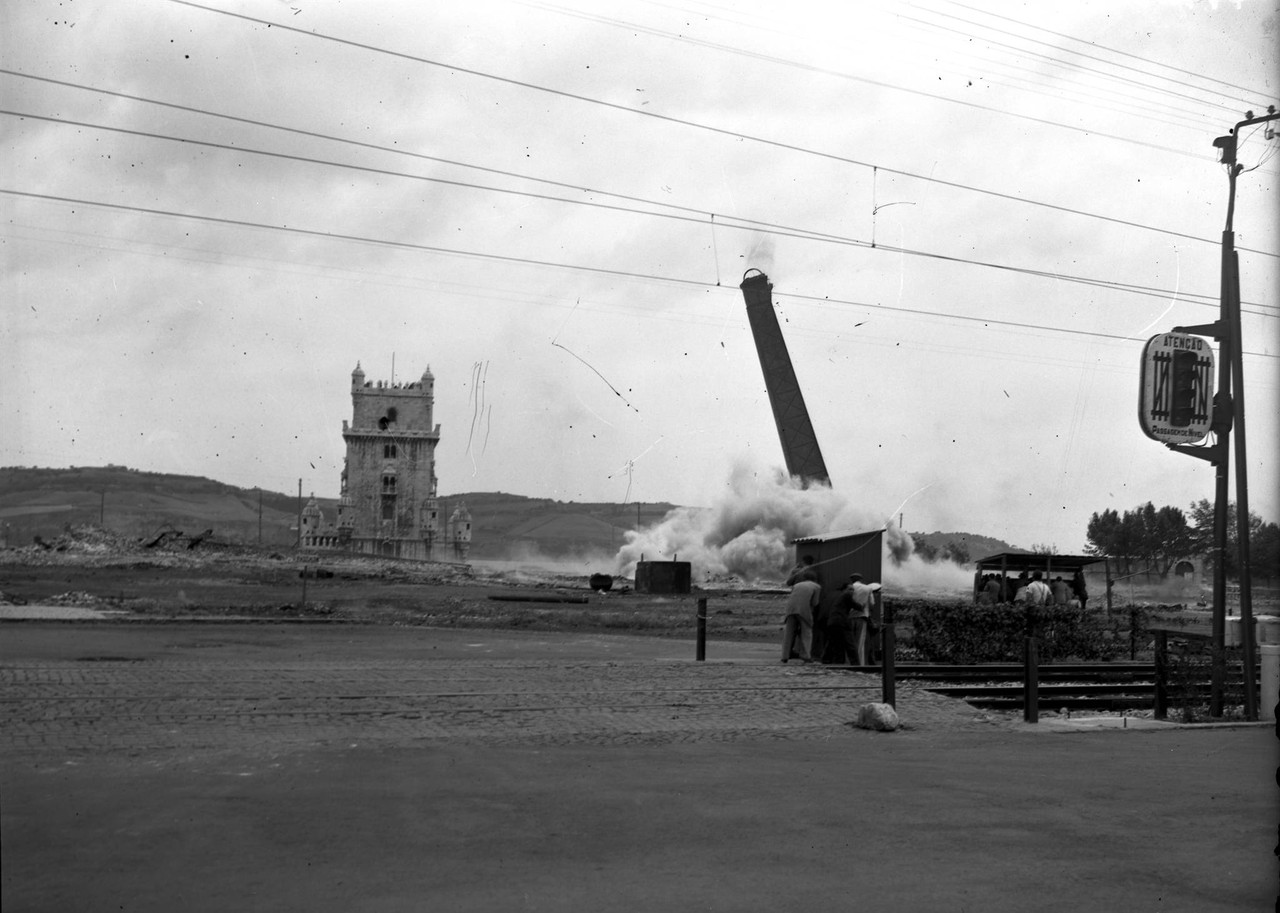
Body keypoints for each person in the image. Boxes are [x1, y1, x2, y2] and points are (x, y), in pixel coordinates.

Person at [781, 572, 821, 663]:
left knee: (789, 633)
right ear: (815, 579)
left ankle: (785, 656)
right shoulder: (816, 586)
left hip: (790, 609)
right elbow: (815, 602)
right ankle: (806, 655)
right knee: (807, 633)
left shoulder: (797, 585)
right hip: (804, 610)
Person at [824, 582, 861, 665]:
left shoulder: (838, 597)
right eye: (850, 589)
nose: (852, 591)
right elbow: (857, 606)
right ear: (844, 590)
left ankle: (836, 662)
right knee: (850, 644)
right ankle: (855, 664)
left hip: (832, 622)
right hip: (842, 622)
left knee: (836, 644)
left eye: (853, 590)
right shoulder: (846, 596)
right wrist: (863, 605)